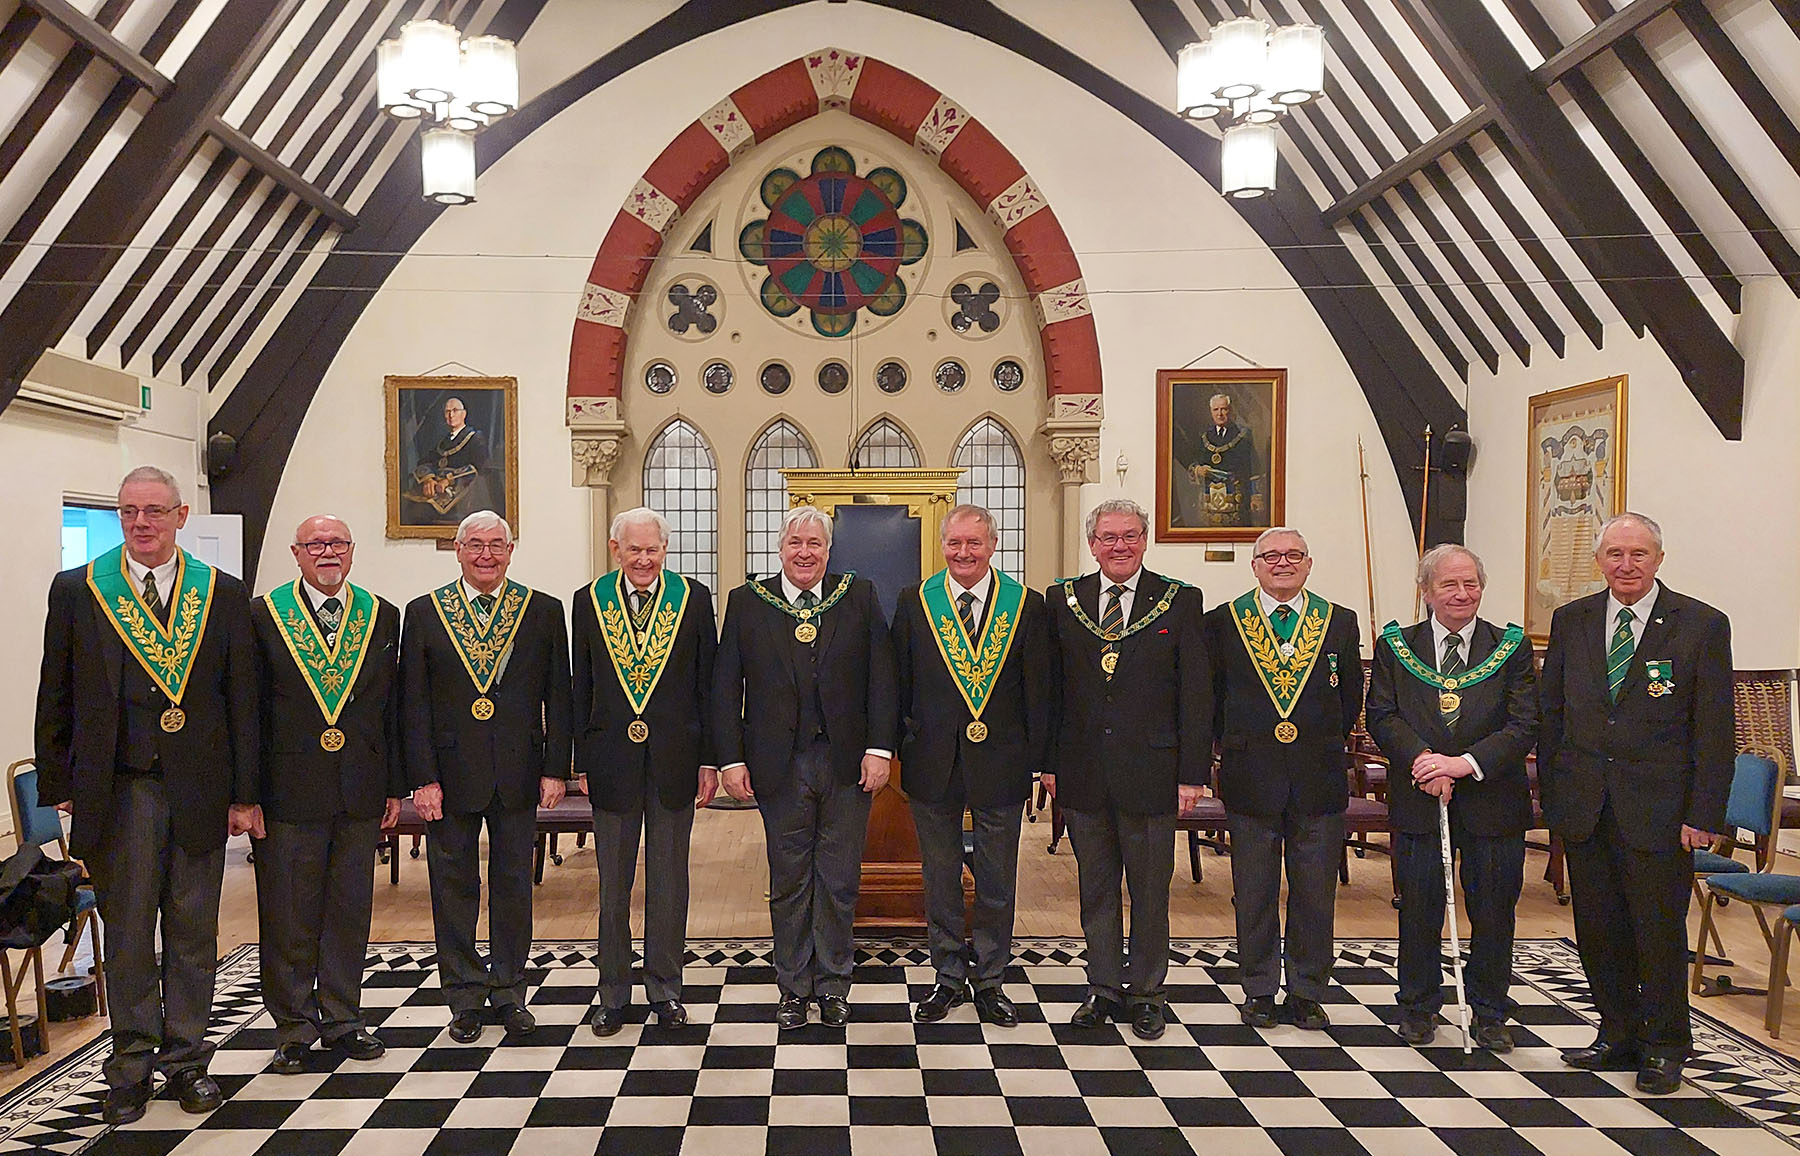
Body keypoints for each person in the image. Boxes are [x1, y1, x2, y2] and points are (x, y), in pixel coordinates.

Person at [33, 466, 260, 1124]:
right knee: (129, 935)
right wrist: (59, 785)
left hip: (198, 790)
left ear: (181, 516)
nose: (141, 524)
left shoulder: (221, 594)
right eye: (130, 512)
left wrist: (246, 795)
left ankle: (187, 1062)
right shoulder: (80, 590)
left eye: (155, 511)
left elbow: (241, 702)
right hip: (118, 792)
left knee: (192, 933)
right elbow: (56, 692)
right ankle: (130, 1066)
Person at [1539, 512, 1732, 1094]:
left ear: (1659, 559)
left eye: (1639, 554)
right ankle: (1616, 1031)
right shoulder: (1571, 621)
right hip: (1586, 806)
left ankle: (1667, 1044)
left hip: (1662, 813)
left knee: (1657, 930)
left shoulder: (1699, 625)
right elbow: (1554, 718)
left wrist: (1703, 815)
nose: (1626, 565)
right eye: (1615, 554)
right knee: (1597, 928)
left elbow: (1715, 730)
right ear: (1598, 561)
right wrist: (1555, 798)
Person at [713, 505, 897, 1029]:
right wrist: (731, 758)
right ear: (779, 547)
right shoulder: (748, 602)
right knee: (789, 878)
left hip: (846, 764)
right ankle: (793, 987)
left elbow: (882, 678)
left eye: (815, 543)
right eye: (795, 543)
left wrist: (880, 749)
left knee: (839, 880)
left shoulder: (857, 596)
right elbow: (726, 688)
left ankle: (835, 983)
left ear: (829, 550)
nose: (804, 552)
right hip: (778, 765)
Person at [400, 509, 571, 1043]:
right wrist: (422, 777)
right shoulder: (425, 613)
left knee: (514, 884)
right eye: (476, 545)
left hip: (520, 771)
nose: (486, 555)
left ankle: (510, 990)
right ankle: (464, 995)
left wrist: (555, 769)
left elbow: (558, 696)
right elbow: (414, 704)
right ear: (457, 549)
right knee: (453, 887)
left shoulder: (542, 610)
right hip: (448, 777)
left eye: (497, 544)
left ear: (511, 549)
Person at [1043, 498, 1210, 1040]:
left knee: (1149, 891)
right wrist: (1049, 766)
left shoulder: (1179, 601)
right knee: (1095, 889)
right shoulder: (1063, 600)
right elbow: (1052, 691)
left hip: (1154, 773)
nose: (1120, 545)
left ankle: (1147, 993)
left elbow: (1196, 694)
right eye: (1109, 536)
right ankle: (1103, 988)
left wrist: (1192, 773)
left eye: (1130, 535)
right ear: (1092, 544)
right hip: (1085, 771)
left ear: (1145, 540)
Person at [1366, 544, 1536, 1050]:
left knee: (1493, 910)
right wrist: (1424, 760)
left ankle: (1489, 1011)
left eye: (1471, 584)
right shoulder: (1398, 645)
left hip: (1493, 800)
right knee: (1418, 906)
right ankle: (1418, 1007)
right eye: (1449, 585)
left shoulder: (1511, 646)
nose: (1462, 594)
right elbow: (1382, 714)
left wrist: (1464, 764)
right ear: (1426, 592)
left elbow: (1525, 721)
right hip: (1421, 798)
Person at [251, 515, 403, 1074]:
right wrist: (248, 794)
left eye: (337, 542)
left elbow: (390, 709)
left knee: (347, 912)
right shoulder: (265, 616)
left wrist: (393, 785)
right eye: (316, 544)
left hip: (360, 790)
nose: (328, 552)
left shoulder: (381, 615)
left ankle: (342, 1017)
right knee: (289, 912)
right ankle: (293, 1026)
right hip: (287, 792)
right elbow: (250, 711)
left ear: (352, 550)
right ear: (296, 553)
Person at [893, 504, 1051, 1027]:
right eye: (955, 543)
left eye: (974, 544)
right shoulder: (917, 602)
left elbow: (1038, 692)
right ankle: (946, 977)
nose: (964, 553)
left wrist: (1039, 763)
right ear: (943, 544)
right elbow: (899, 684)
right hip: (932, 764)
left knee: (996, 878)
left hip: (1001, 764)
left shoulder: (1025, 605)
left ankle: (990, 979)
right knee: (938, 877)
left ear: (992, 545)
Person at [1206, 527, 1362, 1031]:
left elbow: (1348, 704)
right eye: (1270, 556)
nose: (1282, 563)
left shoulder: (1338, 622)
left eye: (1293, 555)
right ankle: (1257, 988)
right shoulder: (1224, 623)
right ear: (1254, 565)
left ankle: (1307, 990)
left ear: (1309, 563)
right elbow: (1212, 700)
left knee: (1315, 891)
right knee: (1253, 889)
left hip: (1317, 779)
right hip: (1251, 776)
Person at [573, 507, 717, 1036]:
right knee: (613, 885)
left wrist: (709, 759)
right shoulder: (588, 602)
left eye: (652, 549)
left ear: (664, 550)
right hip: (611, 762)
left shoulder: (694, 600)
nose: (643, 559)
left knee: (669, 881)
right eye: (633, 550)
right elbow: (580, 686)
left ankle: (666, 989)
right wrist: (578, 762)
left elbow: (709, 685)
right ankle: (612, 994)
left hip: (676, 762)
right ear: (616, 550)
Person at [1174, 392, 1264, 528]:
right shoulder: (1204, 436)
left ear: (1230, 410)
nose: (1220, 414)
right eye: (1216, 410)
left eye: (1224, 409)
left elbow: (1254, 467)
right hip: (1209, 500)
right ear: (1211, 412)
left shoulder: (1244, 435)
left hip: (1236, 499)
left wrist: (1255, 495)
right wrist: (1198, 469)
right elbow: (1194, 461)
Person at [405, 395, 494, 523]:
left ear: (464, 414)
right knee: (412, 510)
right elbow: (425, 461)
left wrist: (448, 480)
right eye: (447, 412)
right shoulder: (443, 441)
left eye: (455, 411)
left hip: (463, 490)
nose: (451, 415)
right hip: (437, 489)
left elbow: (480, 467)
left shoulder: (475, 438)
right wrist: (428, 479)